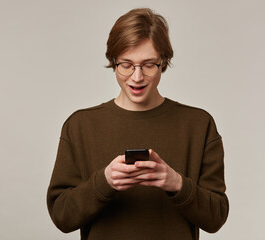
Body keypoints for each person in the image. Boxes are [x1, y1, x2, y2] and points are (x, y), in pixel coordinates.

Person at [47, 8, 229, 240]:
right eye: (126, 64)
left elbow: (216, 218)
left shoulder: (199, 125)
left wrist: (176, 183)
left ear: (163, 62)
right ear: (113, 62)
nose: (136, 77)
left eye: (148, 64)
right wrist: (105, 182)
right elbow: (62, 217)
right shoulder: (80, 126)